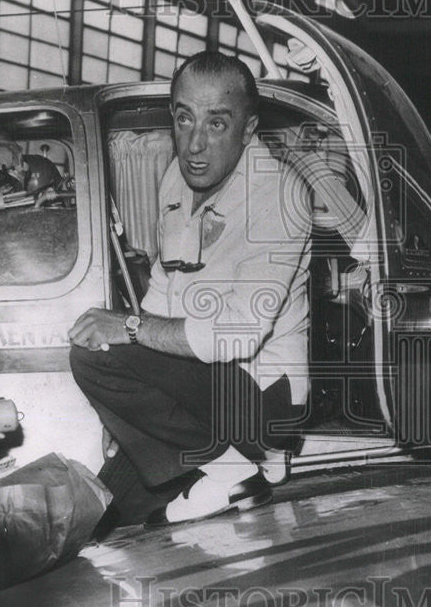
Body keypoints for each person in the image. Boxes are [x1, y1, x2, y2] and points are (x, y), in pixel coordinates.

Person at [68, 51, 311, 528]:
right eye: (184, 119)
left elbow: (239, 336)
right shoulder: (176, 180)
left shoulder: (279, 194)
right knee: (114, 516)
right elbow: (165, 285)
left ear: (248, 128)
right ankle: (228, 468)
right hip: (206, 392)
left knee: (94, 355)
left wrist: (129, 330)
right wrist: (123, 411)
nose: (194, 144)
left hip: (263, 399)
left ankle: (239, 470)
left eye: (217, 125)